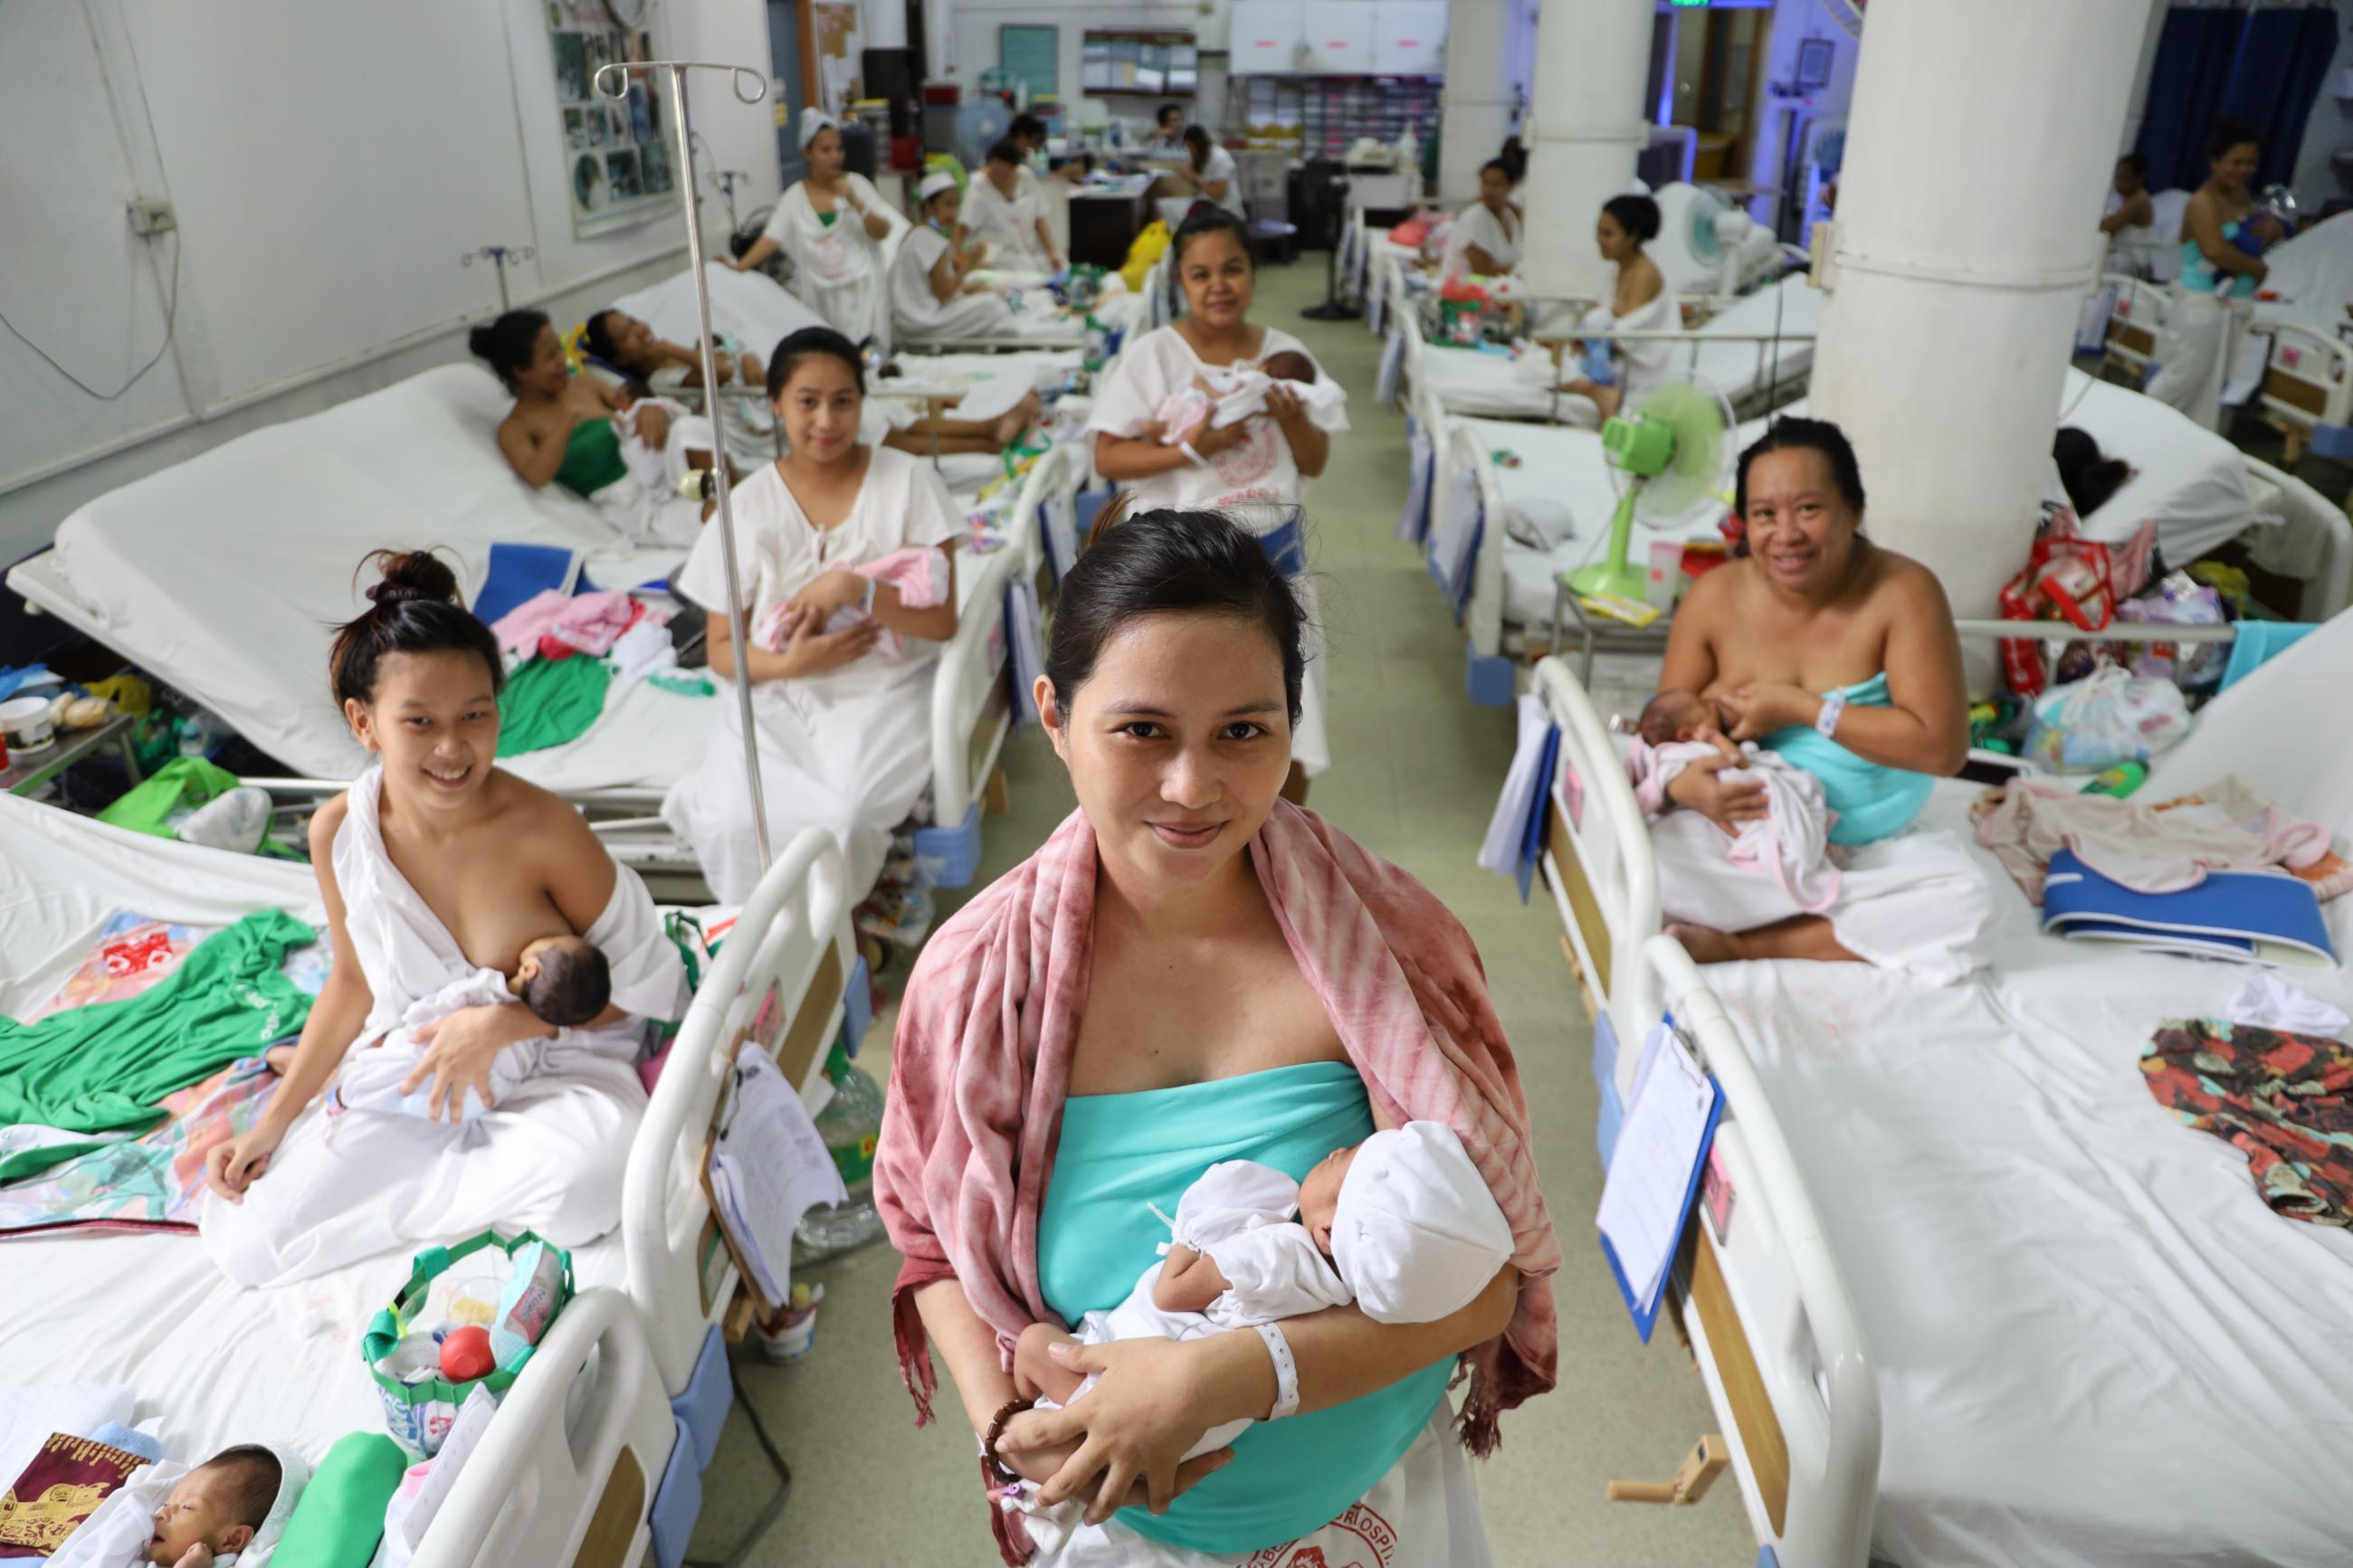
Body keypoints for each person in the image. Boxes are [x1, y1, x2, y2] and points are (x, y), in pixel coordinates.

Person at [873, 509, 1559, 1568]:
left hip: (1379, 1506)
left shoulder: (1396, 951)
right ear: (1053, 715)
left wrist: (1228, 1376)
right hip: (1110, 1527)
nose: (1193, 788)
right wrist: (1002, 1419)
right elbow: (927, 1238)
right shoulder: (973, 982)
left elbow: (1490, 1278)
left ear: (1292, 722)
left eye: (1243, 731)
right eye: (1142, 730)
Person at [199, 552, 689, 1288]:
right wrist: (272, 1123)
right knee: (253, 1240)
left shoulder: (546, 829)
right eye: (419, 722)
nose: (453, 748)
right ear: (364, 723)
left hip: (557, 1073)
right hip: (420, 1074)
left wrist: (504, 1024)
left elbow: (649, 985)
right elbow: (352, 983)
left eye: (475, 716)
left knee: (583, 1185)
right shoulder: (340, 832)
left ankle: (427, 1209)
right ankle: (451, 1207)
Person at [1645, 418, 1993, 979]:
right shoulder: (1714, 599)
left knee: (1967, 906)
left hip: (1871, 849)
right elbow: (1667, 729)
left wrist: (1802, 708)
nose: (1786, 534)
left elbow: (1942, 750)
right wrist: (1683, 783)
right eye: (1764, 514)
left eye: (1808, 508)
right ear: (1744, 524)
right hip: (1753, 839)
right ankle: (1800, 917)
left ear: (1854, 510)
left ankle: (1745, 947)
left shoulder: (1903, 593)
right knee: (1643, 862)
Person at [659, 328, 963, 905]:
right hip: (776, 691)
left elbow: (942, 622)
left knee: (845, 815)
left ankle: (836, 937)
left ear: (861, 403)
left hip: (881, 687)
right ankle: (766, 944)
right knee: (729, 819)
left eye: (842, 401)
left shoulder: (907, 482)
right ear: (776, 404)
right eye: (807, 401)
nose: (826, 419)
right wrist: (787, 663)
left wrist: (856, 588)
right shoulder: (747, 506)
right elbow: (723, 649)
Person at [1086, 207, 1348, 798]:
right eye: (1200, 274)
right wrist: (1190, 448)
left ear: (1253, 273)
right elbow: (1109, 457)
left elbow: (1313, 461)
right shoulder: (1154, 356)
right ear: (1181, 280)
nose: (1218, 286)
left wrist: (1293, 414)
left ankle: (1278, 859)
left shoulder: (1287, 356)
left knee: (1287, 725)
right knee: (1174, 723)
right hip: (1176, 574)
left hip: (1272, 568)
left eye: (1232, 269)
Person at [469, 309, 718, 549]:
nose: (561, 360)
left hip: (663, 468)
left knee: (689, 429)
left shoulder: (583, 383)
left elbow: (630, 406)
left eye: (559, 348)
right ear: (521, 371)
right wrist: (568, 419)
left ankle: (723, 490)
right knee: (717, 516)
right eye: (549, 356)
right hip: (637, 503)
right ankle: (718, 506)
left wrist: (648, 407)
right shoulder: (516, 428)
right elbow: (537, 475)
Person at [327, 932, 610, 1120]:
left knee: (376, 1074)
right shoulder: (538, 1035)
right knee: (426, 1102)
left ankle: (339, 1097)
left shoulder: (486, 988)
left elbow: (435, 1006)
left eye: (552, 938)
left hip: (433, 1056)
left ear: (529, 969)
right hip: (483, 1097)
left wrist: (406, 1026)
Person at [2149, 118, 2285, 431]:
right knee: (2185, 376)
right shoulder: (2202, 202)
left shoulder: (2242, 198)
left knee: (2213, 383)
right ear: (2215, 162)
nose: (2244, 169)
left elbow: (2251, 241)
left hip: (2234, 304)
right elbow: (2214, 250)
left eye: (2250, 162)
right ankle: (2142, 428)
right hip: (2202, 304)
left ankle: (2186, 442)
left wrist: (2273, 230)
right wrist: (2258, 269)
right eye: (2235, 162)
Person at [728, 109, 903, 343]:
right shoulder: (795, 198)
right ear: (807, 153)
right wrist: (739, 267)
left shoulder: (856, 186)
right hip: (821, 298)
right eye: (826, 150)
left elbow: (882, 231)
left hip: (862, 295)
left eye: (839, 149)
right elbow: (772, 238)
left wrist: (855, 201)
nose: (835, 157)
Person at [1558, 194, 1674, 423]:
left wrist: (1592, 336)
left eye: (1609, 234)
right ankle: (1595, 391)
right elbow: (1593, 315)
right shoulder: (1614, 270)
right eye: (1598, 231)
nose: (1600, 239)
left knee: (1547, 369)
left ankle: (1600, 393)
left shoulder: (1644, 274)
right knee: (1534, 365)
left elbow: (1626, 336)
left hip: (1634, 372)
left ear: (1633, 236)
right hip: (1603, 363)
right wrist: (1580, 335)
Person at [891, 170, 1026, 341]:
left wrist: (966, 288)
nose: (953, 214)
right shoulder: (927, 238)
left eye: (956, 206)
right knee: (993, 306)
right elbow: (943, 294)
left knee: (985, 297)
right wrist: (970, 263)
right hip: (921, 323)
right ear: (928, 206)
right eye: (948, 205)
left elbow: (933, 289)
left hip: (909, 321)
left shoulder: (916, 234)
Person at [581, 309, 765, 394]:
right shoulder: (659, 381)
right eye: (625, 335)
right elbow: (723, 371)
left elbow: (729, 357)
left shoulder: (671, 361)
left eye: (633, 322)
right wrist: (669, 349)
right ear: (620, 360)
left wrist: (748, 357)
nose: (639, 330)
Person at [962, 139, 1064, 274]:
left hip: (1030, 254)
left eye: (1004, 175)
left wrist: (1052, 252)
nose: (998, 178)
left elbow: (1039, 219)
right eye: (994, 173)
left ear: (1015, 169)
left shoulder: (1026, 176)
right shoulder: (978, 185)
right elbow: (963, 226)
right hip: (997, 262)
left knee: (1061, 271)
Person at [1443, 159, 1521, 280]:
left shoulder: (1510, 217)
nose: (1489, 190)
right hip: (1463, 291)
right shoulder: (1475, 216)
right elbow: (1482, 269)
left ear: (1511, 187)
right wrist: (1522, 270)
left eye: (1497, 184)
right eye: (1485, 183)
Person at [1154, 126, 1243, 220]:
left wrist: (1193, 176)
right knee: (1163, 206)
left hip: (1225, 211)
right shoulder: (1200, 157)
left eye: (1190, 147)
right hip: (1207, 206)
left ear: (1197, 145)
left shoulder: (1220, 158)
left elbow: (1218, 194)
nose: (1190, 152)